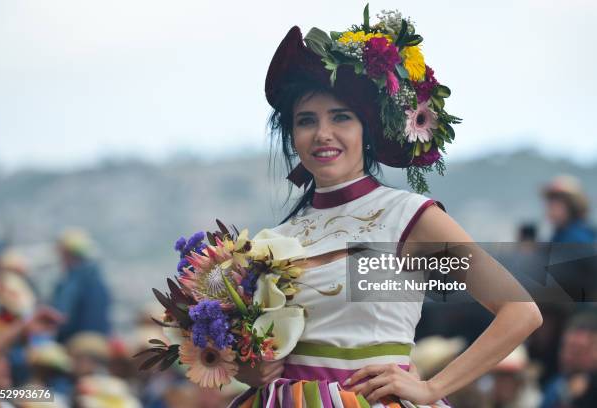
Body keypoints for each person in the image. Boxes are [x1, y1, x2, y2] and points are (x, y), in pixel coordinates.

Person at [228, 7, 543, 407]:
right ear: (293, 135)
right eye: (306, 121)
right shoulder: (278, 237)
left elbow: (521, 312)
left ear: (367, 129)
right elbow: (260, 352)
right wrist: (247, 368)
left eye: (340, 117)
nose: (322, 133)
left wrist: (432, 388)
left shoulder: (409, 217)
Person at [52, 228, 112, 343]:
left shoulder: (73, 282)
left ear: (67, 253)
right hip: (99, 341)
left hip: (77, 342)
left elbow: (62, 318)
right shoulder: (97, 279)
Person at [543, 175, 595, 243]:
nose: (550, 209)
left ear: (572, 206)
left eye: (555, 203)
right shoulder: (561, 233)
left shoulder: (578, 237)